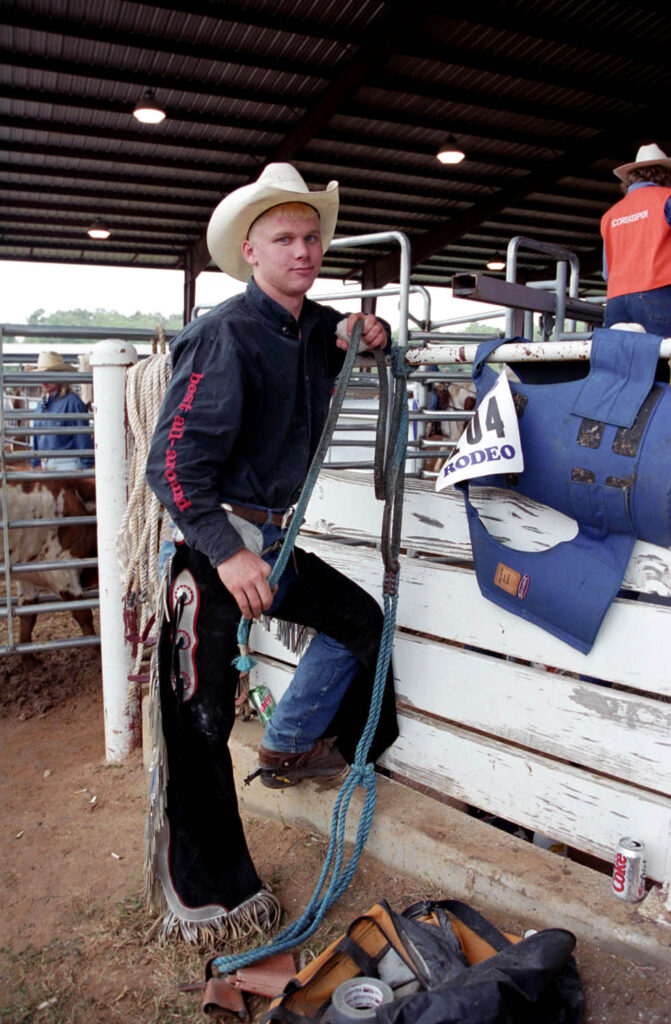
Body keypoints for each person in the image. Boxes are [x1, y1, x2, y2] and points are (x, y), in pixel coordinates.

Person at [144, 163, 399, 941]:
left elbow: (358, 346)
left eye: (312, 237)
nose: (303, 250)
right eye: (284, 239)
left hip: (272, 540)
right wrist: (226, 554)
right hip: (214, 545)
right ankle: (211, 897)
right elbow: (171, 463)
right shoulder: (223, 333)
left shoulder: (313, 329)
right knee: (199, 723)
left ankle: (304, 744)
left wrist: (374, 336)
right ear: (249, 253)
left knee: (363, 623)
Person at [600, 143, 671, 349]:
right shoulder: (666, 200)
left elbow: (607, 273)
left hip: (616, 303)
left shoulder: (611, 215)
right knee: (665, 363)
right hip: (657, 295)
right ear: (664, 175)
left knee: (620, 369)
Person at [31, 351, 94, 470]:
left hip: (66, 463)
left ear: (59, 376)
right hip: (45, 463)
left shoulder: (72, 402)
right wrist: (35, 463)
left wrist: (86, 467)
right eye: (41, 375)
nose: (44, 381)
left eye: (48, 375)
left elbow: (82, 438)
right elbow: (36, 438)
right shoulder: (41, 404)